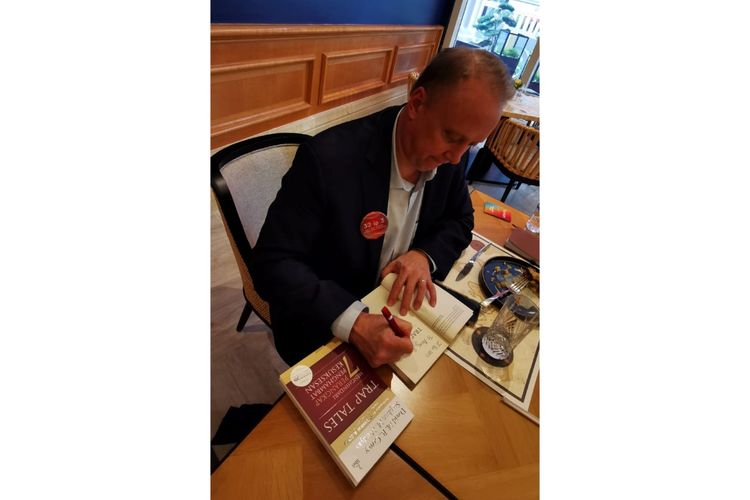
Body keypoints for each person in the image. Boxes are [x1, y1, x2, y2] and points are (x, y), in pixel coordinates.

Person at [250, 47, 515, 367]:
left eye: (470, 145)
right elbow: (272, 263)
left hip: (400, 309)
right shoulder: (327, 160)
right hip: (327, 322)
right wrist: (354, 322)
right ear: (417, 103)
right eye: (451, 136)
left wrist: (423, 255)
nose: (457, 157)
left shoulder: (450, 155)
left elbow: (460, 218)